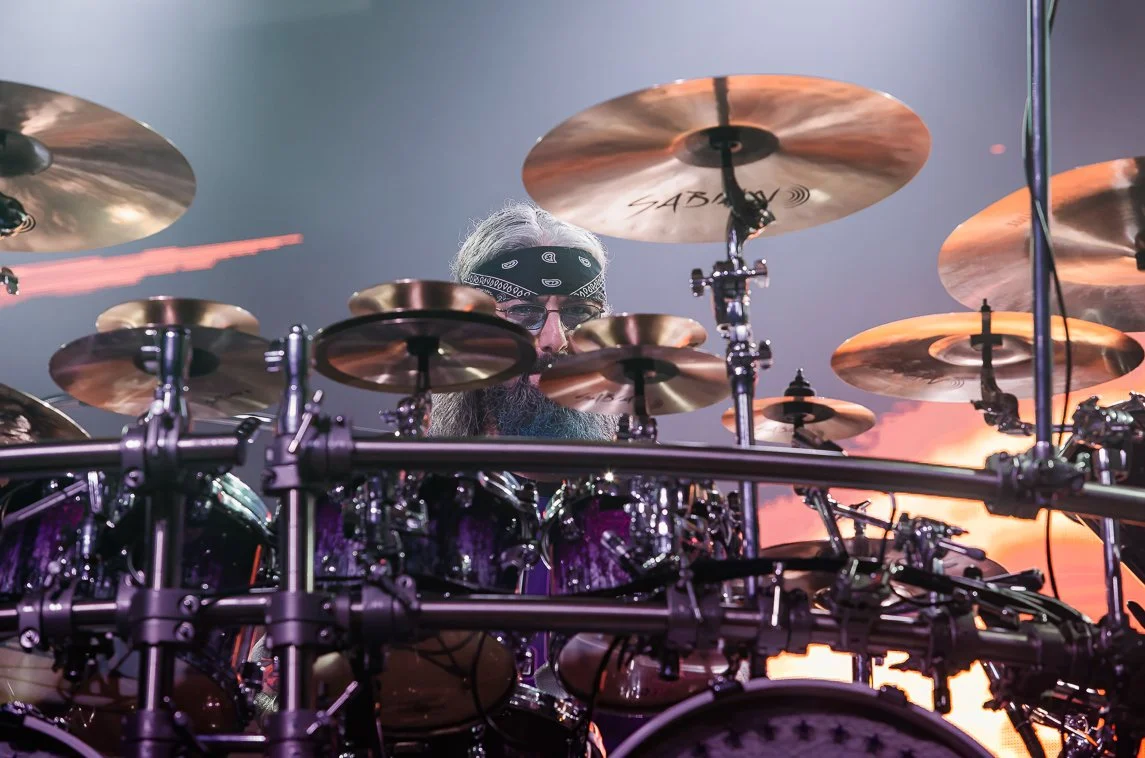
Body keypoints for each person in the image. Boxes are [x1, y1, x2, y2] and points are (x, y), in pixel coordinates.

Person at [428, 202, 618, 441]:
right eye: (524, 311)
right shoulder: (422, 464)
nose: (555, 340)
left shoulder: (639, 463)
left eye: (578, 311)